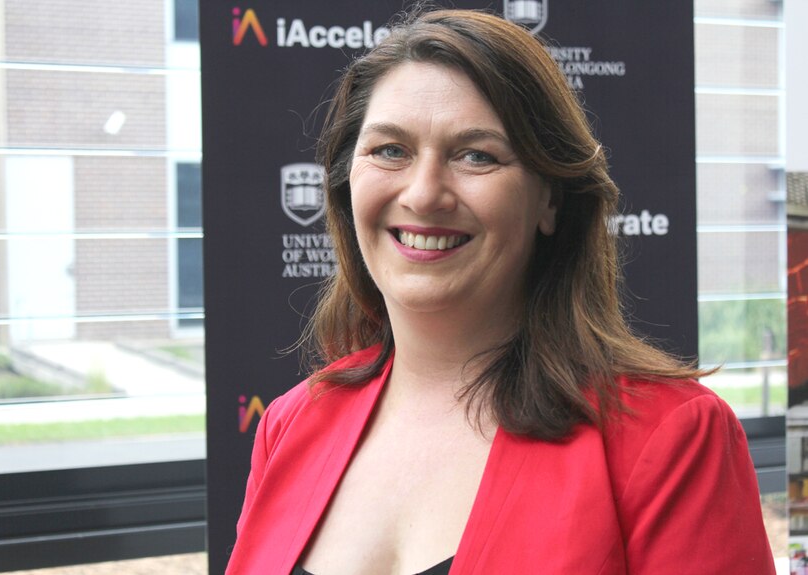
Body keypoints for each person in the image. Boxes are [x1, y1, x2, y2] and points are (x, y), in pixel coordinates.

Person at [226, 8, 775, 575]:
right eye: (390, 149)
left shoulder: (670, 438)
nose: (424, 193)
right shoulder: (290, 425)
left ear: (550, 201)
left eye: (476, 155)